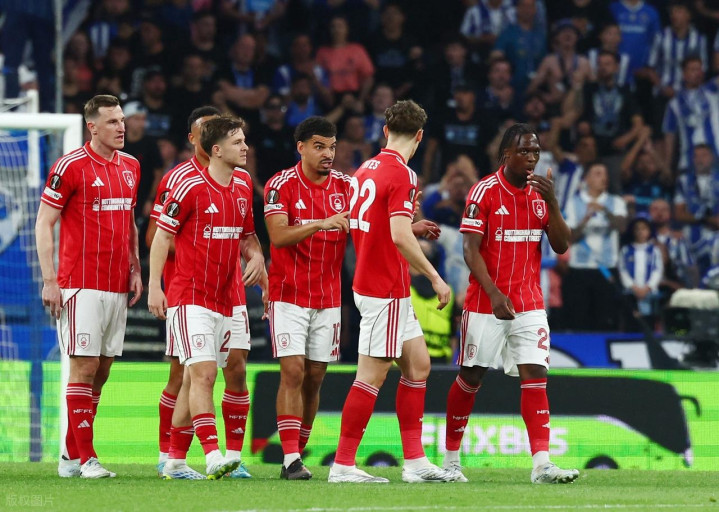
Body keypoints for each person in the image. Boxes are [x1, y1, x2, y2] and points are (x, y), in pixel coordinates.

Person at [442, 123, 579, 484]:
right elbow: (469, 249)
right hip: (485, 303)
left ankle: (542, 464)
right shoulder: (484, 191)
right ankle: (451, 461)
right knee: (470, 378)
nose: (532, 158)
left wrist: (553, 202)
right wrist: (493, 293)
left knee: (536, 376)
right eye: (524, 151)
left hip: (529, 303)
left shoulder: (540, 194)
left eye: (536, 151)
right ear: (507, 154)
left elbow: (561, 245)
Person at [328, 100, 455, 484]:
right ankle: (342, 465)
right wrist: (435, 277)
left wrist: (411, 229)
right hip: (383, 288)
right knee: (370, 376)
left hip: (382, 285)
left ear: (385, 131)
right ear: (419, 136)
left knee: (418, 365)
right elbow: (398, 235)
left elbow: (371, 224)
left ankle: (415, 462)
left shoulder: (365, 169)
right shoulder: (404, 173)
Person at [146, 106, 266, 479]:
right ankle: (213, 455)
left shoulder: (243, 184)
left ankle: (176, 461)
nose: (245, 147)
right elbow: (160, 236)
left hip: (228, 298)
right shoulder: (186, 184)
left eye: (244, 140)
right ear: (215, 149)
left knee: (204, 376)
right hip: (190, 295)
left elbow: (247, 236)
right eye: (238, 142)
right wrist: (154, 286)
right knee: (202, 374)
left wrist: (258, 259)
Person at [36, 94, 143, 478]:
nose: (121, 127)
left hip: (116, 284)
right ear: (92, 127)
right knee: (84, 366)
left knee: (102, 370)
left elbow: (129, 221)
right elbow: (44, 222)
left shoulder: (131, 166)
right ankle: (87, 458)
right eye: (112, 121)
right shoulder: (70, 166)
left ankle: (70, 456)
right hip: (80, 284)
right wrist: (50, 280)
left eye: (122, 120)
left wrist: (135, 267)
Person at [263, 116, 351, 480]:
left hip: (328, 298)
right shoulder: (280, 185)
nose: (328, 153)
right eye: (319, 146)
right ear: (301, 147)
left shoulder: (347, 186)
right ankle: (290, 458)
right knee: (293, 371)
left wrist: (411, 227)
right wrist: (320, 223)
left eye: (332, 147)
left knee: (315, 378)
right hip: (288, 295)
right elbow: (278, 236)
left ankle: (296, 454)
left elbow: (371, 225)